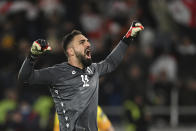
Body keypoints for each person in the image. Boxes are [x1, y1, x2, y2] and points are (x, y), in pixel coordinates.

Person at [18, 21, 144, 131]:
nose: (88, 44)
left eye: (87, 41)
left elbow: (111, 63)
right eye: (82, 42)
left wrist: (128, 37)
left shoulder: (93, 69)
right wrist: (32, 56)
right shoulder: (57, 72)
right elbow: (25, 77)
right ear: (71, 51)